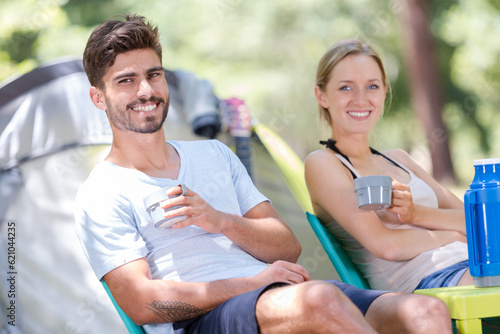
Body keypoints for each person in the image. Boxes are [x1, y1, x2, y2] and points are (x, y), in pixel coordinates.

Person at [74, 15, 452, 334]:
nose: (146, 90)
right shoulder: (102, 193)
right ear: (98, 97)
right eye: (126, 80)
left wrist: (221, 221)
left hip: (276, 293)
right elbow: (142, 303)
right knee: (319, 300)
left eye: (153, 74)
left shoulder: (214, 154)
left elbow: (286, 247)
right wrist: (248, 283)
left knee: (426, 312)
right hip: (205, 318)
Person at [305, 39, 471, 294]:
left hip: (474, 267)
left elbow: (475, 222)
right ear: (322, 95)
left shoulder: (399, 158)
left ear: (383, 92)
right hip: (428, 281)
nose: (361, 99)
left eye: (372, 86)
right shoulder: (324, 164)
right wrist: (453, 235)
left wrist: (417, 214)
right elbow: (386, 246)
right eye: (346, 88)